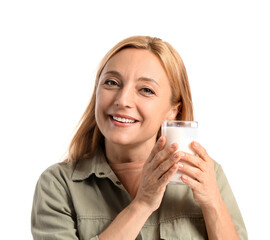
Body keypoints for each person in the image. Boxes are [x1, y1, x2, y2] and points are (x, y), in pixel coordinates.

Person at [31, 36, 247, 239]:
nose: (123, 100)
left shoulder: (206, 174)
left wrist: (213, 204)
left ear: (173, 110)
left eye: (146, 90)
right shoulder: (58, 185)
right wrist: (142, 204)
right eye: (112, 83)